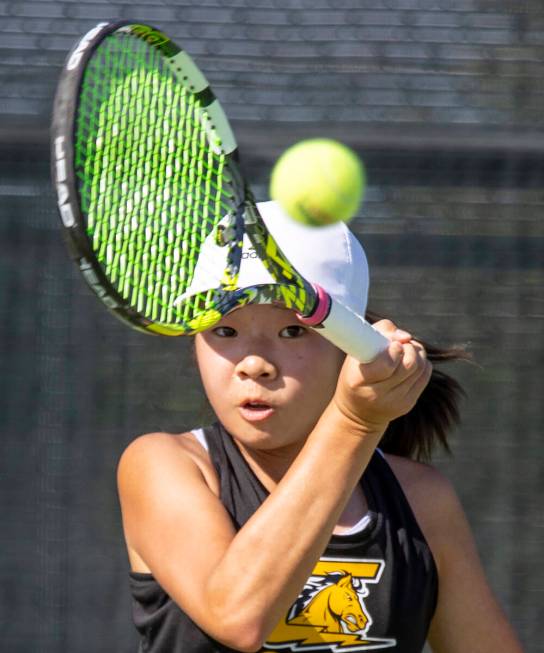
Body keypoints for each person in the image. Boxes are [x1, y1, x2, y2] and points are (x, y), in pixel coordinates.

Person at [117, 201, 523, 653]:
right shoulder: (163, 466)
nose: (253, 363)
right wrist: (354, 422)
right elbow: (237, 616)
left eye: (292, 331)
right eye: (224, 330)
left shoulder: (421, 501)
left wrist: (359, 423)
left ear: (348, 342)